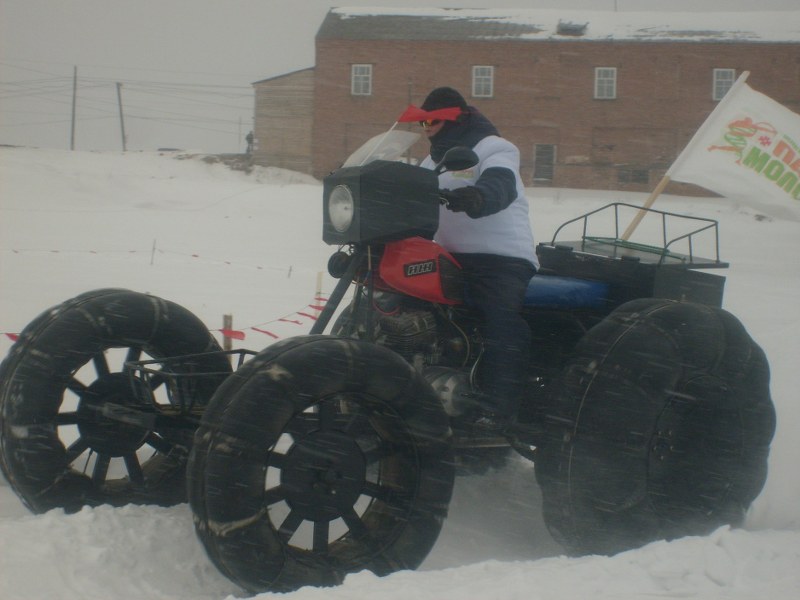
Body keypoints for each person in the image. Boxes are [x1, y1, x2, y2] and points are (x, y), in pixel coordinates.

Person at [399, 86, 539, 431]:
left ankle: (496, 408)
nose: (426, 127)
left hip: (500, 259)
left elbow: (501, 183)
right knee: (405, 314)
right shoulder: (432, 161)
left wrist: (479, 196)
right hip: (448, 258)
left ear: (455, 118)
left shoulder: (495, 148)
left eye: (432, 120)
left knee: (499, 322)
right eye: (422, 121)